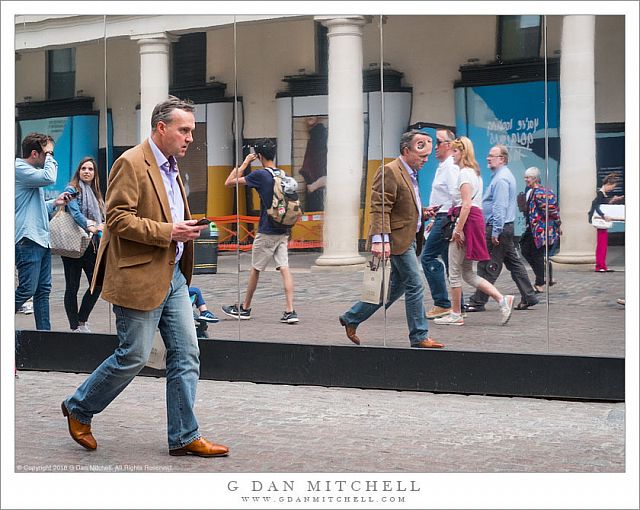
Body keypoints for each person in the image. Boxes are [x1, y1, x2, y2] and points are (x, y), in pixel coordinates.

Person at [62, 96, 229, 458]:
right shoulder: (131, 162)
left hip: (175, 278)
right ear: (161, 128)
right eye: (183, 130)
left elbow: (163, 215)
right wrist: (170, 231)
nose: (189, 138)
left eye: (192, 132)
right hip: (139, 277)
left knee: (187, 354)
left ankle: (184, 435)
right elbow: (118, 219)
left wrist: (184, 230)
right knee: (133, 355)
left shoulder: (170, 166)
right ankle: (80, 407)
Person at [338, 130, 443, 349]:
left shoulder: (410, 172)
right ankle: (419, 336)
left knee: (393, 289)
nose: (425, 160)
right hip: (395, 241)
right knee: (415, 284)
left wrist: (422, 212)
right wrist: (379, 239)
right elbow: (379, 207)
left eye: (427, 156)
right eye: (422, 156)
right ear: (406, 150)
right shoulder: (389, 171)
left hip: (408, 238)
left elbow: (400, 206)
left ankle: (351, 318)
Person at [434, 137, 514, 326]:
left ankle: (455, 313)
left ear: (462, 152)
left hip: (467, 221)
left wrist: (458, 229)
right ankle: (502, 299)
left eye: (454, 151)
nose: (452, 155)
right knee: (467, 272)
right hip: (473, 221)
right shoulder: (475, 174)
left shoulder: (464, 174)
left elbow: (466, 204)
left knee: (454, 271)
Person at [222, 139, 299, 324]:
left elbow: (229, 182)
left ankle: (245, 308)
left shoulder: (260, 175)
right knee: (285, 268)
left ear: (260, 156)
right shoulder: (283, 174)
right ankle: (290, 311)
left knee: (255, 269)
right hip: (283, 229)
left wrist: (246, 162)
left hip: (266, 231)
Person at [464, 144, 539, 312]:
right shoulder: (501, 176)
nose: (488, 158)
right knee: (514, 263)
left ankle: (478, 301)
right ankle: (529, 296)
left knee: (489, 265)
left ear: (502, 159)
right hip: (505, 228)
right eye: (489, 155)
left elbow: (500, 207)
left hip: (499, 228)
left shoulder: (501, 179)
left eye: (492, 155)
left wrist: (496, 230)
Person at [15, 132, 72, 330]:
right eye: (48, 152)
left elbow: (33, 208)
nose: (51, 156)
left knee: (42, 291)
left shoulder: (29, 174)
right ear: (34, 153)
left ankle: (44, 336)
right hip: (28, 239)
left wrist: (54, 203)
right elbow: (49, 177)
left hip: (40, 239)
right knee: (27, 290)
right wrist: (50, 156)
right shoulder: (19, 168)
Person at [61, 157, 105, 333]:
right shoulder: (71, 189)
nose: (87, 171)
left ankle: (81, 320)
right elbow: (75, 213)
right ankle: (74, 327)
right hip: (72, 245)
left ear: (94, 174)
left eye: (90, 169)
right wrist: (92, 226)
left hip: (90, 246)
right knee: (72, 286)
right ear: (78, 171)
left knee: (98, 283)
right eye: (84, 169)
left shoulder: (95, 193)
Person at [421, 128, 459, 319]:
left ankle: (442, 303)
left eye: (438, 142)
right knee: (449, 263)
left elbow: (456, 195)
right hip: (441, 217)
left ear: (449, 145)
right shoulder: (444, 166)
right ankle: (455, 305)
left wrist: (448, 220)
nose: (434, 147)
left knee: (427, 258)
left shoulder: (451, 166)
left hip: (445, 219)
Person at [518, 166, 561, 293]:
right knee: (526, 250)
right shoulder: (531, 191)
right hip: (533, 227)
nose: (526, 180)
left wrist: (558, 224)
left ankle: (540, 282)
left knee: (536, 254)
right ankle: (546, 276)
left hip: (541, 229)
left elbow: (551, 210)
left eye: (528, 177)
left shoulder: (541, 192)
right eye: (525, 177)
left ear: (535, 178)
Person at [588, 172, 624, 272]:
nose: (612, 189)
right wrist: (604, 215)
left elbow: (602, 204)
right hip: (601, 221)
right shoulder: (600, 193)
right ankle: (599, 266)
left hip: (602, 222)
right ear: (608, 184)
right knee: (601, 244)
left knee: (603, 244)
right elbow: (596, 206)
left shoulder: (602, 193)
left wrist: (613, 200)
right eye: (612, 187)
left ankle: (602, 265)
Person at [299, 116, 328, 212]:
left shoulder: (317, 135)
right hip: (318, 185)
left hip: (317, 186)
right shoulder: (318, 134)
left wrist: (313, 185)